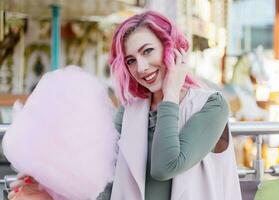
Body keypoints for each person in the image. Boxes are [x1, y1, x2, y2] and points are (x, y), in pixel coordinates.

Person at [8, 11, 242, 200]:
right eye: (131, 60)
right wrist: (47, 187)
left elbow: (166, 165)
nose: (140, 67)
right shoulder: (130, 112)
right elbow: (107, 185)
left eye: (147, 51)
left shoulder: (211, 105)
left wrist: (170, 95)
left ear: (172, 49)